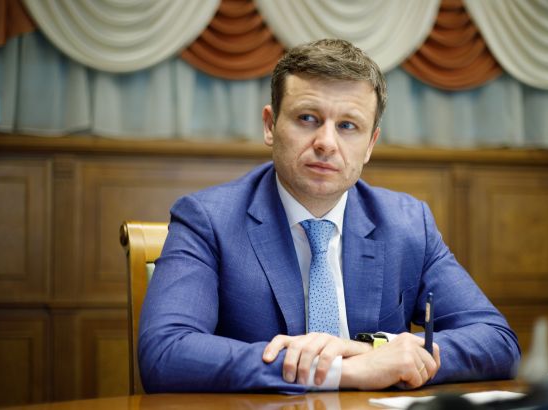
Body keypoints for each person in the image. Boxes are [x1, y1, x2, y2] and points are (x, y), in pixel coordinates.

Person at [139, 38, 520, 394]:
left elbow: (497, 341)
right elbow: (166, 352)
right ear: (270, 125)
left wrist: (382, 351)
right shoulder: (208, 219)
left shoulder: (407, 223)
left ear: (370, 144)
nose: (326, 142)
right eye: (307, 118)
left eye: (348, 126)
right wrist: (340, 371)